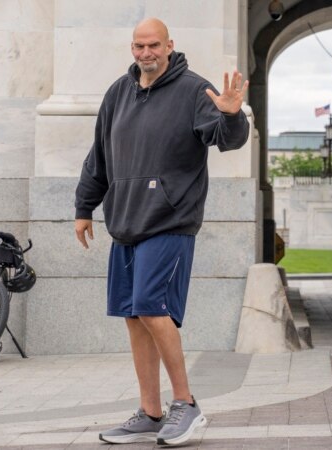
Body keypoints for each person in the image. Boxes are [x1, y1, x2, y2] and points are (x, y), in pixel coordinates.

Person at [73, 18, 249, 446]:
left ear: (169, 45)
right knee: (134, 317)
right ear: (131, 47)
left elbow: (229, 139)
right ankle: (150, 412)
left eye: (153, 45)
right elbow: (100, 154)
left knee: (153, 308)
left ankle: (185, 405)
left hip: (170, 222)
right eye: (138, 46)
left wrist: (232, 115)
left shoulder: (194, 90)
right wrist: (84, 207)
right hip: (125, 222)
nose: (145, 53)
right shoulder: (118, 92)